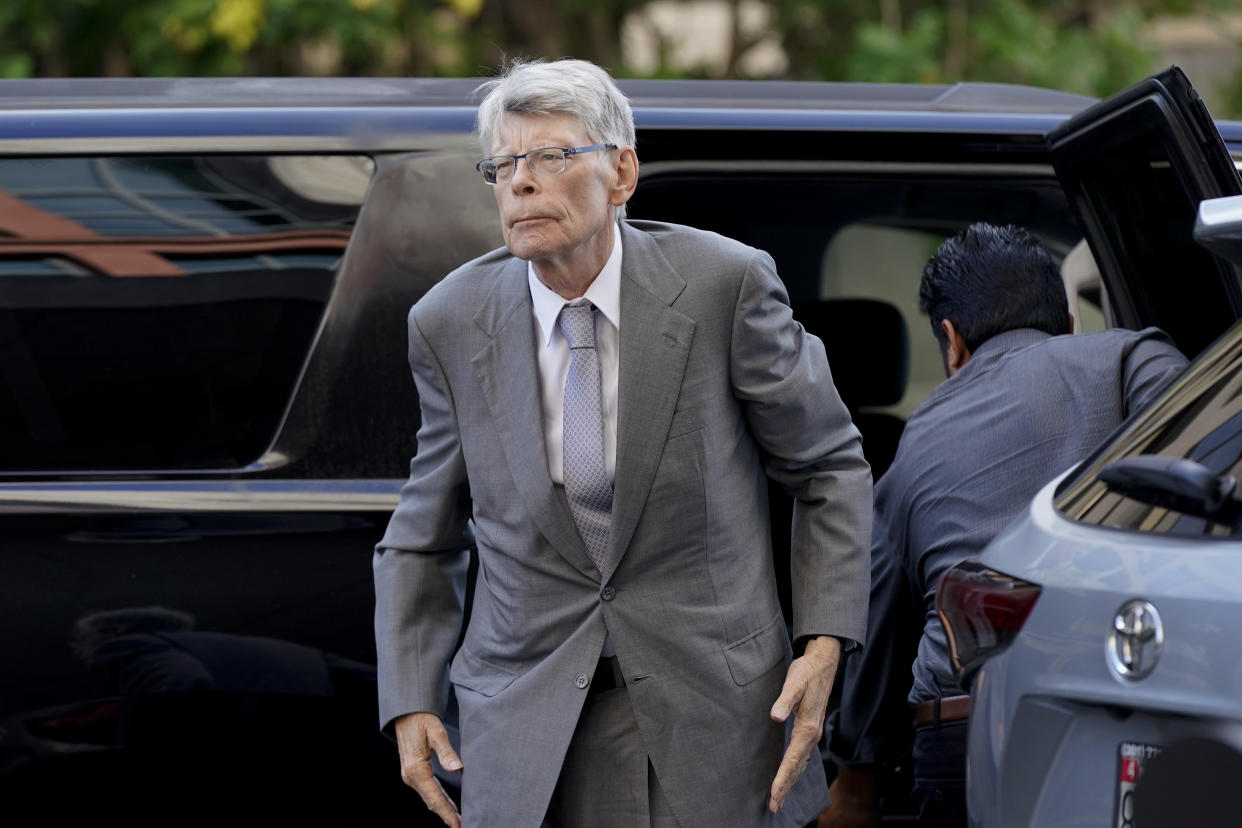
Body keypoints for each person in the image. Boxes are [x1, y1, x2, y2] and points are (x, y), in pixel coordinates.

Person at [372, 58, 872, 828]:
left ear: (621, 171)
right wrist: (409, 697)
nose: (521, 183)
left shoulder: (721, 286)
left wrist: (824, 640)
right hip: (527, 730)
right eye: (503, 165)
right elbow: (421, 534)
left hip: (715, 720)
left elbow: (829, 467)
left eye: (549, 156)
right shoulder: (450, 320)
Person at [821, 223, 1187, 828]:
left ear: (952, 341)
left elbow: (877, 621)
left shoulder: (918, 441)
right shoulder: (1132, 358)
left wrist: (854, 772)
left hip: (966, 736)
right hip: (1139, 699)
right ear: (1070, 323)